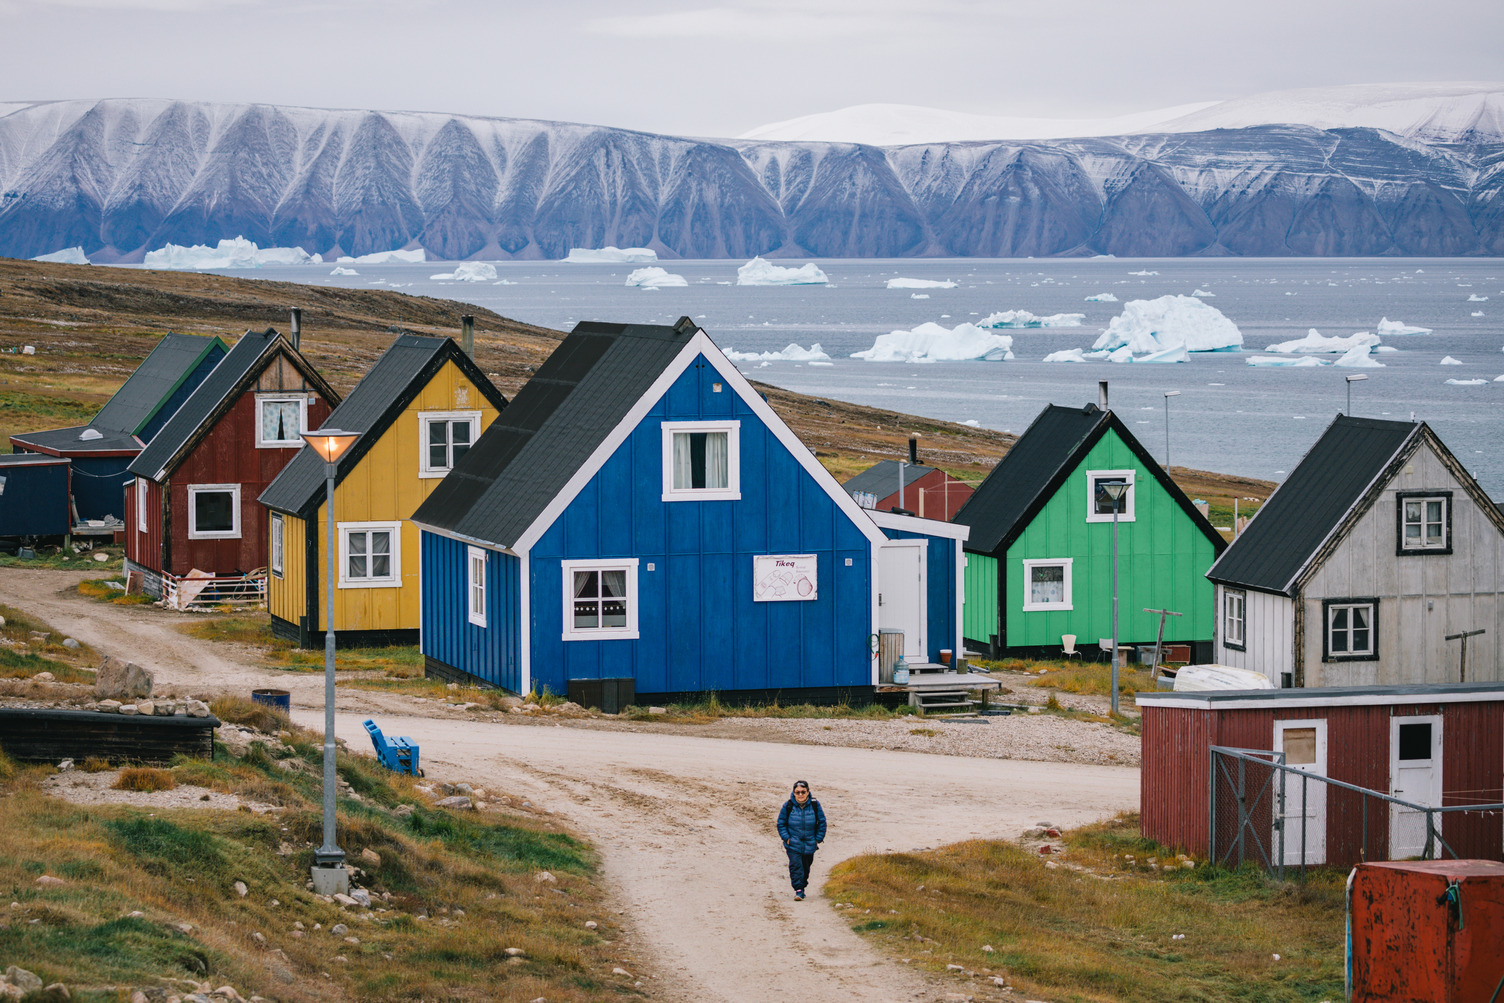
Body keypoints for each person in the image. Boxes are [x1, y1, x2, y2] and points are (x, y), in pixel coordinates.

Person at [775, 779, 826, 900]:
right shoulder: (788, 806)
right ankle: (799, 890)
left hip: (810, 844)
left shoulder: (815, 805)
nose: (800, 795)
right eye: (797, 792)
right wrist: (787, 838)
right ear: (793, 793)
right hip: (793, 844)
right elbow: (781, 823)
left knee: (806, 867)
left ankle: (802, 885)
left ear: (808, 792)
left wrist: (818, 839)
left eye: (803, 792)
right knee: (796, 866)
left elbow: (822, 822)